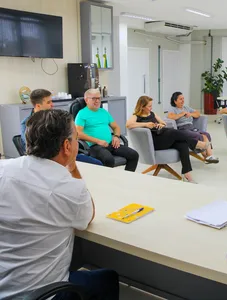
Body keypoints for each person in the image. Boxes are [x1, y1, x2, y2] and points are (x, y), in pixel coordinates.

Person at [0, 110, 119, 299]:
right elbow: (88, 216)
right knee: (107, 278)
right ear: (67, 146)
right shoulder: (67, 188)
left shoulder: (3, 169)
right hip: (40, 294)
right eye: (75, 137)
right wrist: (72, 166)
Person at [126, 96, 210, 183]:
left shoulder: (152, 114)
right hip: (155, 142)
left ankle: (187, 174)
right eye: (149, 106)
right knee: (173, 132)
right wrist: (146, 124)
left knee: (183, 144)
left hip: (163, 137)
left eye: (151, 105)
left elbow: (163, 123)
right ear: (142, 107)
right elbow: (128, 125)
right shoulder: (136, 116)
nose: (151, 108)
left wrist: (161, 125)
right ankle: (197, 143)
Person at [20, 89, 102, 166]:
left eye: (51, 101)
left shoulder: (55, 118)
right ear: (38, 106)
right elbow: (32, 148)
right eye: (49, 102)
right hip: (49, 159)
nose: (52, 104)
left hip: (64, 153)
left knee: (97, 163)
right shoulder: (27, 124)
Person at [75, 89, 139, 171]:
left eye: (99, 98)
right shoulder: (82, 114)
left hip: (110, 144)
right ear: (86, 100)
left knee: (134, 155)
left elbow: (116, 127)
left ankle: (126, 179)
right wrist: (98, 141)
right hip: (94, 146)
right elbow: (78, 133)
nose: (97, 101)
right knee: (108, 160)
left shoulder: (104, 112)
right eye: (94, 98)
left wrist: (116, 136)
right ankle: (108, 182)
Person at [167, 91, 219, 164]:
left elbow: (197, 114)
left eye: (183, 98)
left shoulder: (186, 107)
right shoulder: (173, 109)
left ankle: (209, 156)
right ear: (175, 101)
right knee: (198, 136)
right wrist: (181, 114)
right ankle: (206, 157)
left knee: (205, 134)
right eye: (180, 99)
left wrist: (190, 114)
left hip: (191, 127)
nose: (183, 100)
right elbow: (170, 117)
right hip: (182, 128)